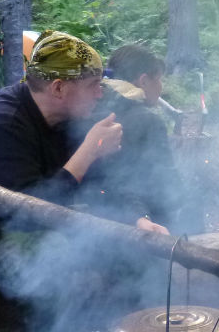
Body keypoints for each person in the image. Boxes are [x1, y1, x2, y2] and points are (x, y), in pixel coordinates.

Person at [0, 30, 127, 292]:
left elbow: (101, 188)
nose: (99, 94)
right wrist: (88, 153)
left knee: (114, 234)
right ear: (58, 87)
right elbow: (26, 215)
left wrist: (137, 221)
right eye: (93, 85)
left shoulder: (65, 119)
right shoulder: (2, 124)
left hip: (17, 231)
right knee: (52, 251)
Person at [76, 43, 177, 235]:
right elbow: (166, 184)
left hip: (96, 226)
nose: (161, 87)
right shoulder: (148, 121)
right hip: (147, 229)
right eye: (159, 79)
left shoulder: (89, 108)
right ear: (144, 81)